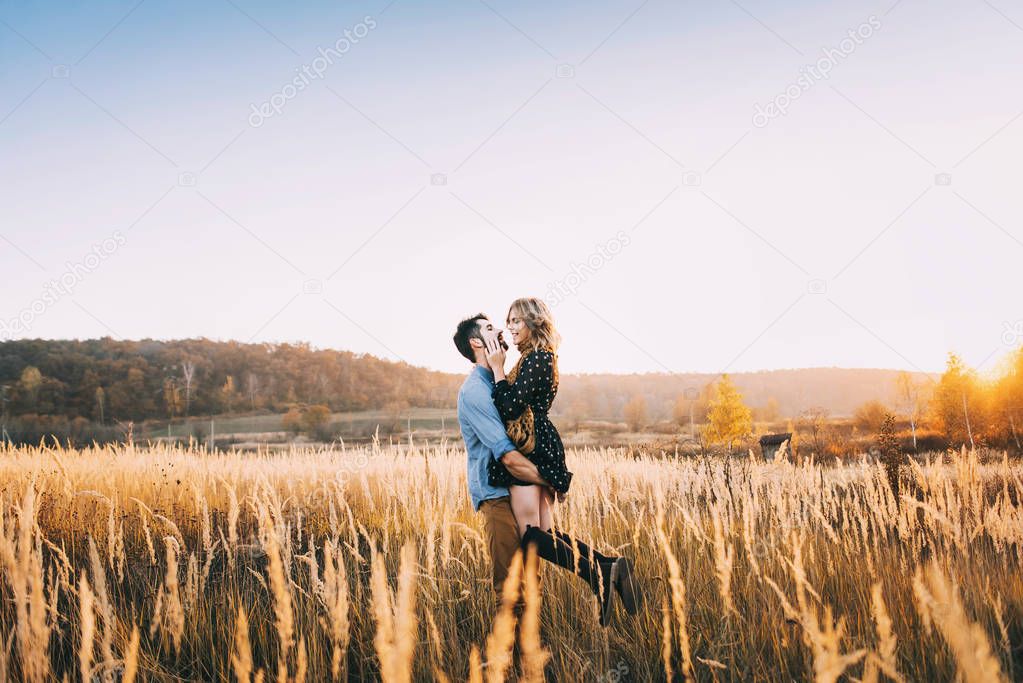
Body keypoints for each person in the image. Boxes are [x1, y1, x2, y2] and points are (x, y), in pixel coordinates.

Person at [454, 307, 642, 626]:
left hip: (517, 484)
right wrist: (552, 478)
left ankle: (604, 571)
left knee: (535, 560)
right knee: (511, 587)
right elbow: (508, 454)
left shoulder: (502, 376)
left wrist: (547, 477)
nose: (500, 329)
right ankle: (512, 664)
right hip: (497, 493)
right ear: (475, 343)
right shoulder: (475, 392)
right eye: (489, 328)